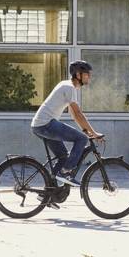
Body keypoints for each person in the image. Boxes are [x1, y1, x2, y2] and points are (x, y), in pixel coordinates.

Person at [31, 60, 104, 189]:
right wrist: (92, 133)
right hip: (46, 124)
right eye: (87, 74)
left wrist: (85, 129)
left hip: (40, 125)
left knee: (63, 157)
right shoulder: (69, 87)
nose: (89, 77)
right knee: (81, 139)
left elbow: (73, 114)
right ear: (78, 74)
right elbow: (78, 113)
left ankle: (49, 194)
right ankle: (66, 172)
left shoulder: (67, 85)